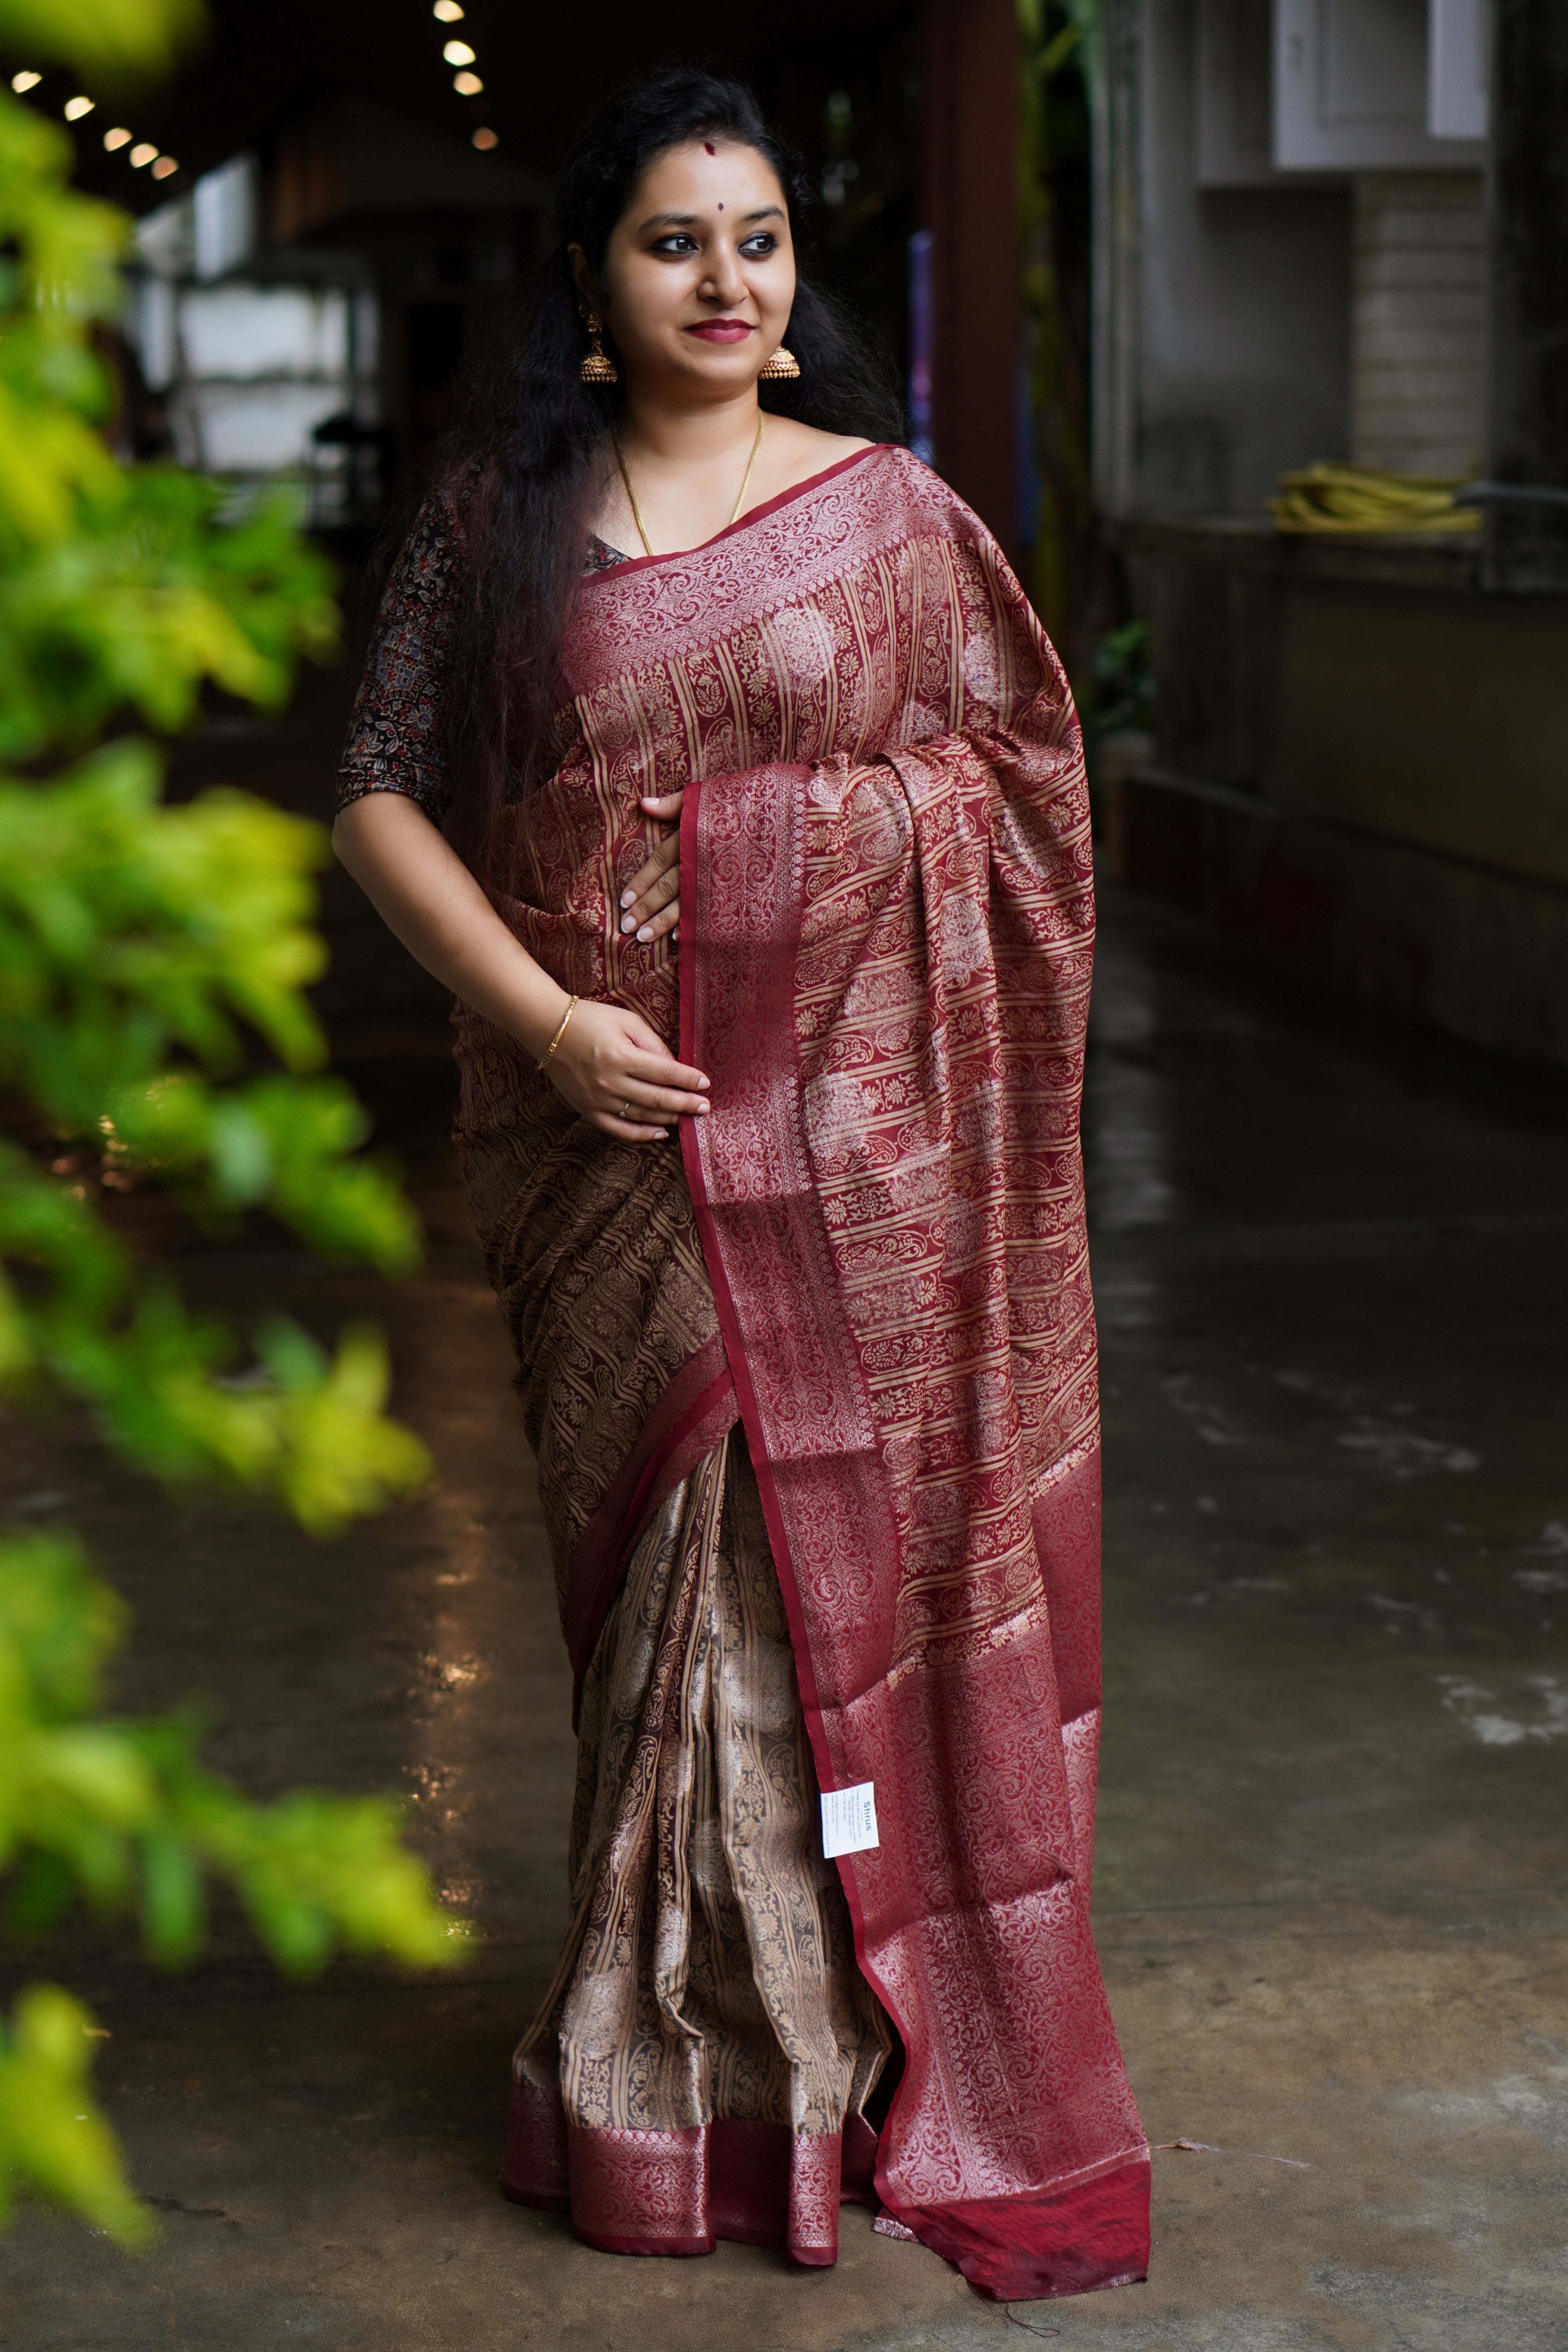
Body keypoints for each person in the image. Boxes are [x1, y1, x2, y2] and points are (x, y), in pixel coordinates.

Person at [333, 64, 1148, 2303]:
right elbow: (383, 793)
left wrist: (802, 863)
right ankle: (656, 2059)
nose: (725, 276)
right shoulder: (501, 521)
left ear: (794, 284)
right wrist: (547, 1016)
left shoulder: (889, 518)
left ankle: (813, 2060)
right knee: (664, 1608)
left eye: (760, 238)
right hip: (604, 1148)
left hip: (852, 1151)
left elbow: (1015, 792)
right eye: (673, 240)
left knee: (794, 1596)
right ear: (594, 288)